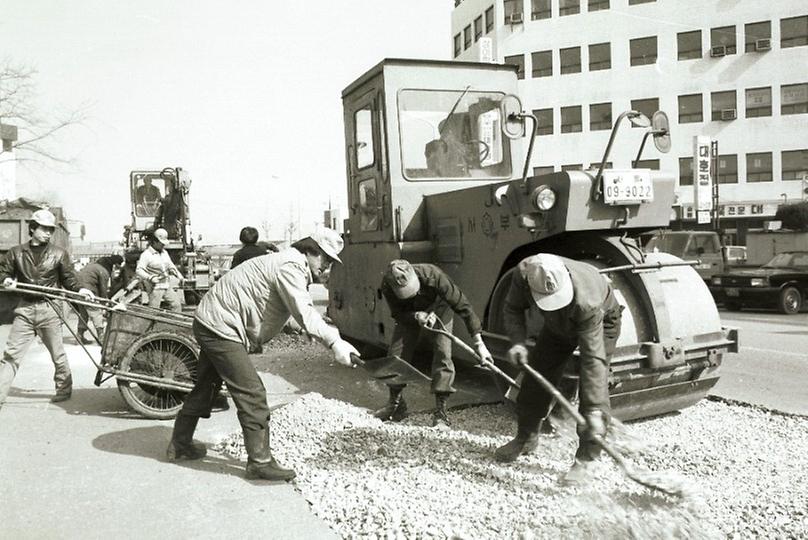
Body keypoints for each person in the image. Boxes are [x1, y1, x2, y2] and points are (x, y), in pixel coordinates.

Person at [165, 228, 360, 482]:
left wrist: (299, 327)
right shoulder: (291, 266)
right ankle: (259, 462)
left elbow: (275, 303)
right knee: (253, 392)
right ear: (311, 250)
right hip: (221, 327)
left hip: (211, 320)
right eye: (325, 259)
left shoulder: (287, 262)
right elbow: (305, 312)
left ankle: (180, 444)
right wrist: (336, 342)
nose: (325, 268)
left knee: (206, 386)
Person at [495, 254, 623, 486]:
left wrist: (593, 409)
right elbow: (512, 308)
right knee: (537, 374)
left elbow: (592, 361)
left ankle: (587, 458)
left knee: (593, 386)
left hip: (601, 323)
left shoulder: (588, 301)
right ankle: (526, 437)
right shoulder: (523, 274)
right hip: (557, 324)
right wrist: (517, 342)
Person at [377, 259, 492, 429]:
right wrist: (416, 316)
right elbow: (397, 314)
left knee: (442, 353)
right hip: (411, 313)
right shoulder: (387, 285)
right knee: (395, 356)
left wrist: (479, 343)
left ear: (414, 275)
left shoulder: (434, 275)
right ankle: (396, 405)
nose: (413, 294)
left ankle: (441, 413)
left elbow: (464, 307)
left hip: (440, 309)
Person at [0, 209, 94, 407]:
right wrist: (6, 279)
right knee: (11, 355)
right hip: (25, 310)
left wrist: (82, 289)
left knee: (57, 353)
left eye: (50, 229)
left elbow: (69, 280)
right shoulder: (16, 253)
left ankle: (64, 388)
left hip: (49, 308)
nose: (48, 233)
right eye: (44, 228)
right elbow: (3, 272)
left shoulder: (59, 254)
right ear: (32, 228)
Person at [76, 254, 123, 344]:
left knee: (84, 314)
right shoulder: (103, 271)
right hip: (88, 293)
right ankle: (101, 339)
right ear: (114, 265)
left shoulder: (94, 265)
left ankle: (79, 336)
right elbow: (103, 289)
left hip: (79, 291)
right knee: (96, 313)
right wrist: (103, 304)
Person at [136, 228, 183, 312]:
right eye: (161, 244)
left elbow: (170, 265)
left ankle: (174, 323)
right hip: (155, 288)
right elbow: (139, 270)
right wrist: (150, 278)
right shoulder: (146, 255)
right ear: (154, 241)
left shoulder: (165, 253)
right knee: (154, 310)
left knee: (176, 305)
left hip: (166, 285)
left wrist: (179, 276)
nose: (163, 246)